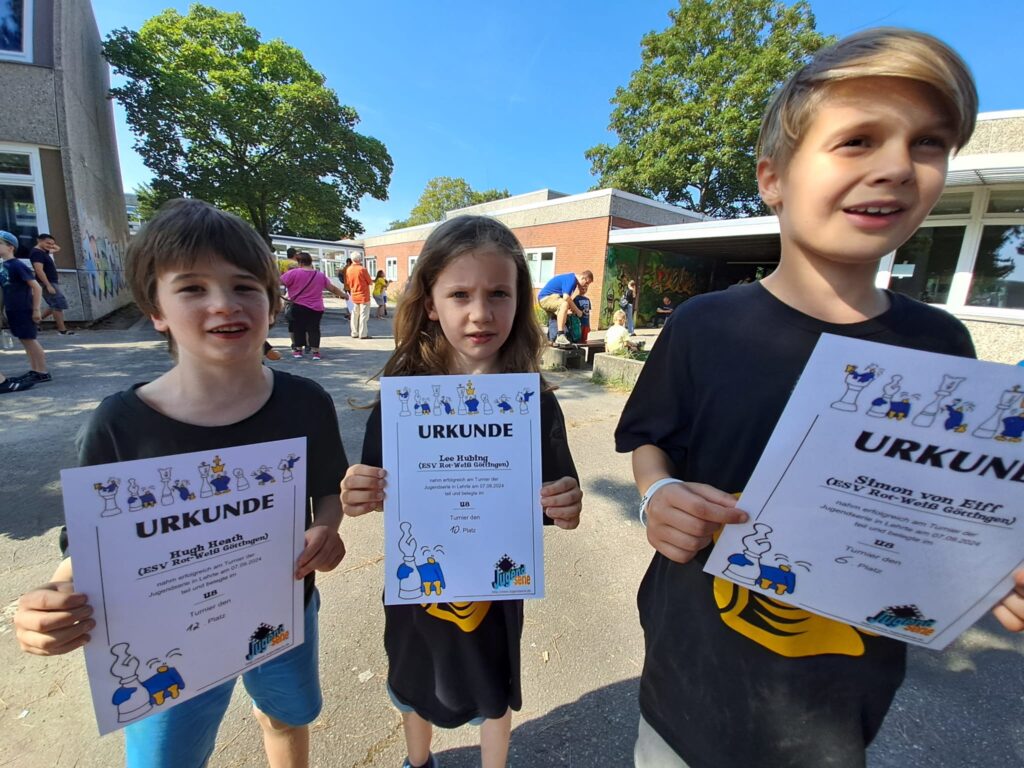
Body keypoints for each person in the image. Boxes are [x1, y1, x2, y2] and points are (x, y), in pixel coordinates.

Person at [613, 28, 1024, 768]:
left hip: (837, 709)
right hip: (686, 683)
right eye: (859, 140)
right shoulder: (705, 325)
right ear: (773, 179)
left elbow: (950, 518)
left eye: (928, 144)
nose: (898, 166)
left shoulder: (943, 351)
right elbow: (650, 438)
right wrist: (657, 494)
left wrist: (993, 565)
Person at [12, 199, 349, 768]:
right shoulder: (118, 425)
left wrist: (326, 529)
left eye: (245, 285)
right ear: (156, 309)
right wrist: (47, 604)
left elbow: (327, 494)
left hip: (283, 613)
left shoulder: (305, 402)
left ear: (271, 302)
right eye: (192, 288)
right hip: (164, 646)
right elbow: (87, 551)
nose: (224, 303)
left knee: (287, 716)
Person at [340, 215, 583, 768]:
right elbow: (375, 485)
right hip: (417, 588)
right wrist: (358, 492)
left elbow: (557, 498)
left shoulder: (533, 404)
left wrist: (564, 503)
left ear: (521, 300)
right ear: (430, 304)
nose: (481, 312)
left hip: (497, 587)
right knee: (412, 676)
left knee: (494, 683)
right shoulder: (402, 402)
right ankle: (416, 760)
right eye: (460, 294)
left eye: (499, 293)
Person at [0, 230, 51, 384]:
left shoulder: (17, 265)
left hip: (23, 308)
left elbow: (36, 287)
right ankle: (35, 369)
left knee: (30, 340)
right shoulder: (4, 266)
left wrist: (36, 310)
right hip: (12, 309)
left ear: (11, 247)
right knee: (24, 340)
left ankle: (42, 371)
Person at [281, 251, 346, 360]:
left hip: (298, 305)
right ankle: (315, 352)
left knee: (298, 327)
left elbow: (277, 282)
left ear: (299, 262)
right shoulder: (319, 275)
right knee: (314, 329)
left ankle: (298, 350)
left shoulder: (293, 273)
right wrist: (344, 295)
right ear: (310, 261)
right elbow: (332, 288)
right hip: (316, 307)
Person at [29, 233, 74, 335]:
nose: (50, 246)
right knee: (57, 305)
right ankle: (62, 330)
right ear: (39, 241)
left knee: (55, 304)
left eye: (52, 244)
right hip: (47, 282)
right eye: (47, 243)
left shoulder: (44, 251)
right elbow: (39, 270)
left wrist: (50, 245)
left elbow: (58, 248)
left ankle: (35, 321)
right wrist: (48, 285)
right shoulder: (37, 253)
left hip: (52, 281)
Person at [537, 269, 593, 347]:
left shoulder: (572, 281)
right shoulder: (572, 279)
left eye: (588, 285)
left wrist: (568, 310)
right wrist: (577, 311)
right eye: (586, 283)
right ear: (582, 277)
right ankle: (560, 335)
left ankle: (550, 339)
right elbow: (566, 297)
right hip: (546, 298)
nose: (586, 286)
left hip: (552, 298)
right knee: (564, 304)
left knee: (557, 317)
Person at [345, 254, 372, 339]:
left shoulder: (348, 269)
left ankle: (354, 332)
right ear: (360, 259)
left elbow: (348, 282)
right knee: (363, 315)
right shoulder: (362, 269)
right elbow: (370, 281)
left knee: (354, 314)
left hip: (354, 294)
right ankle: (363, 334)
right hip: (363, 295)